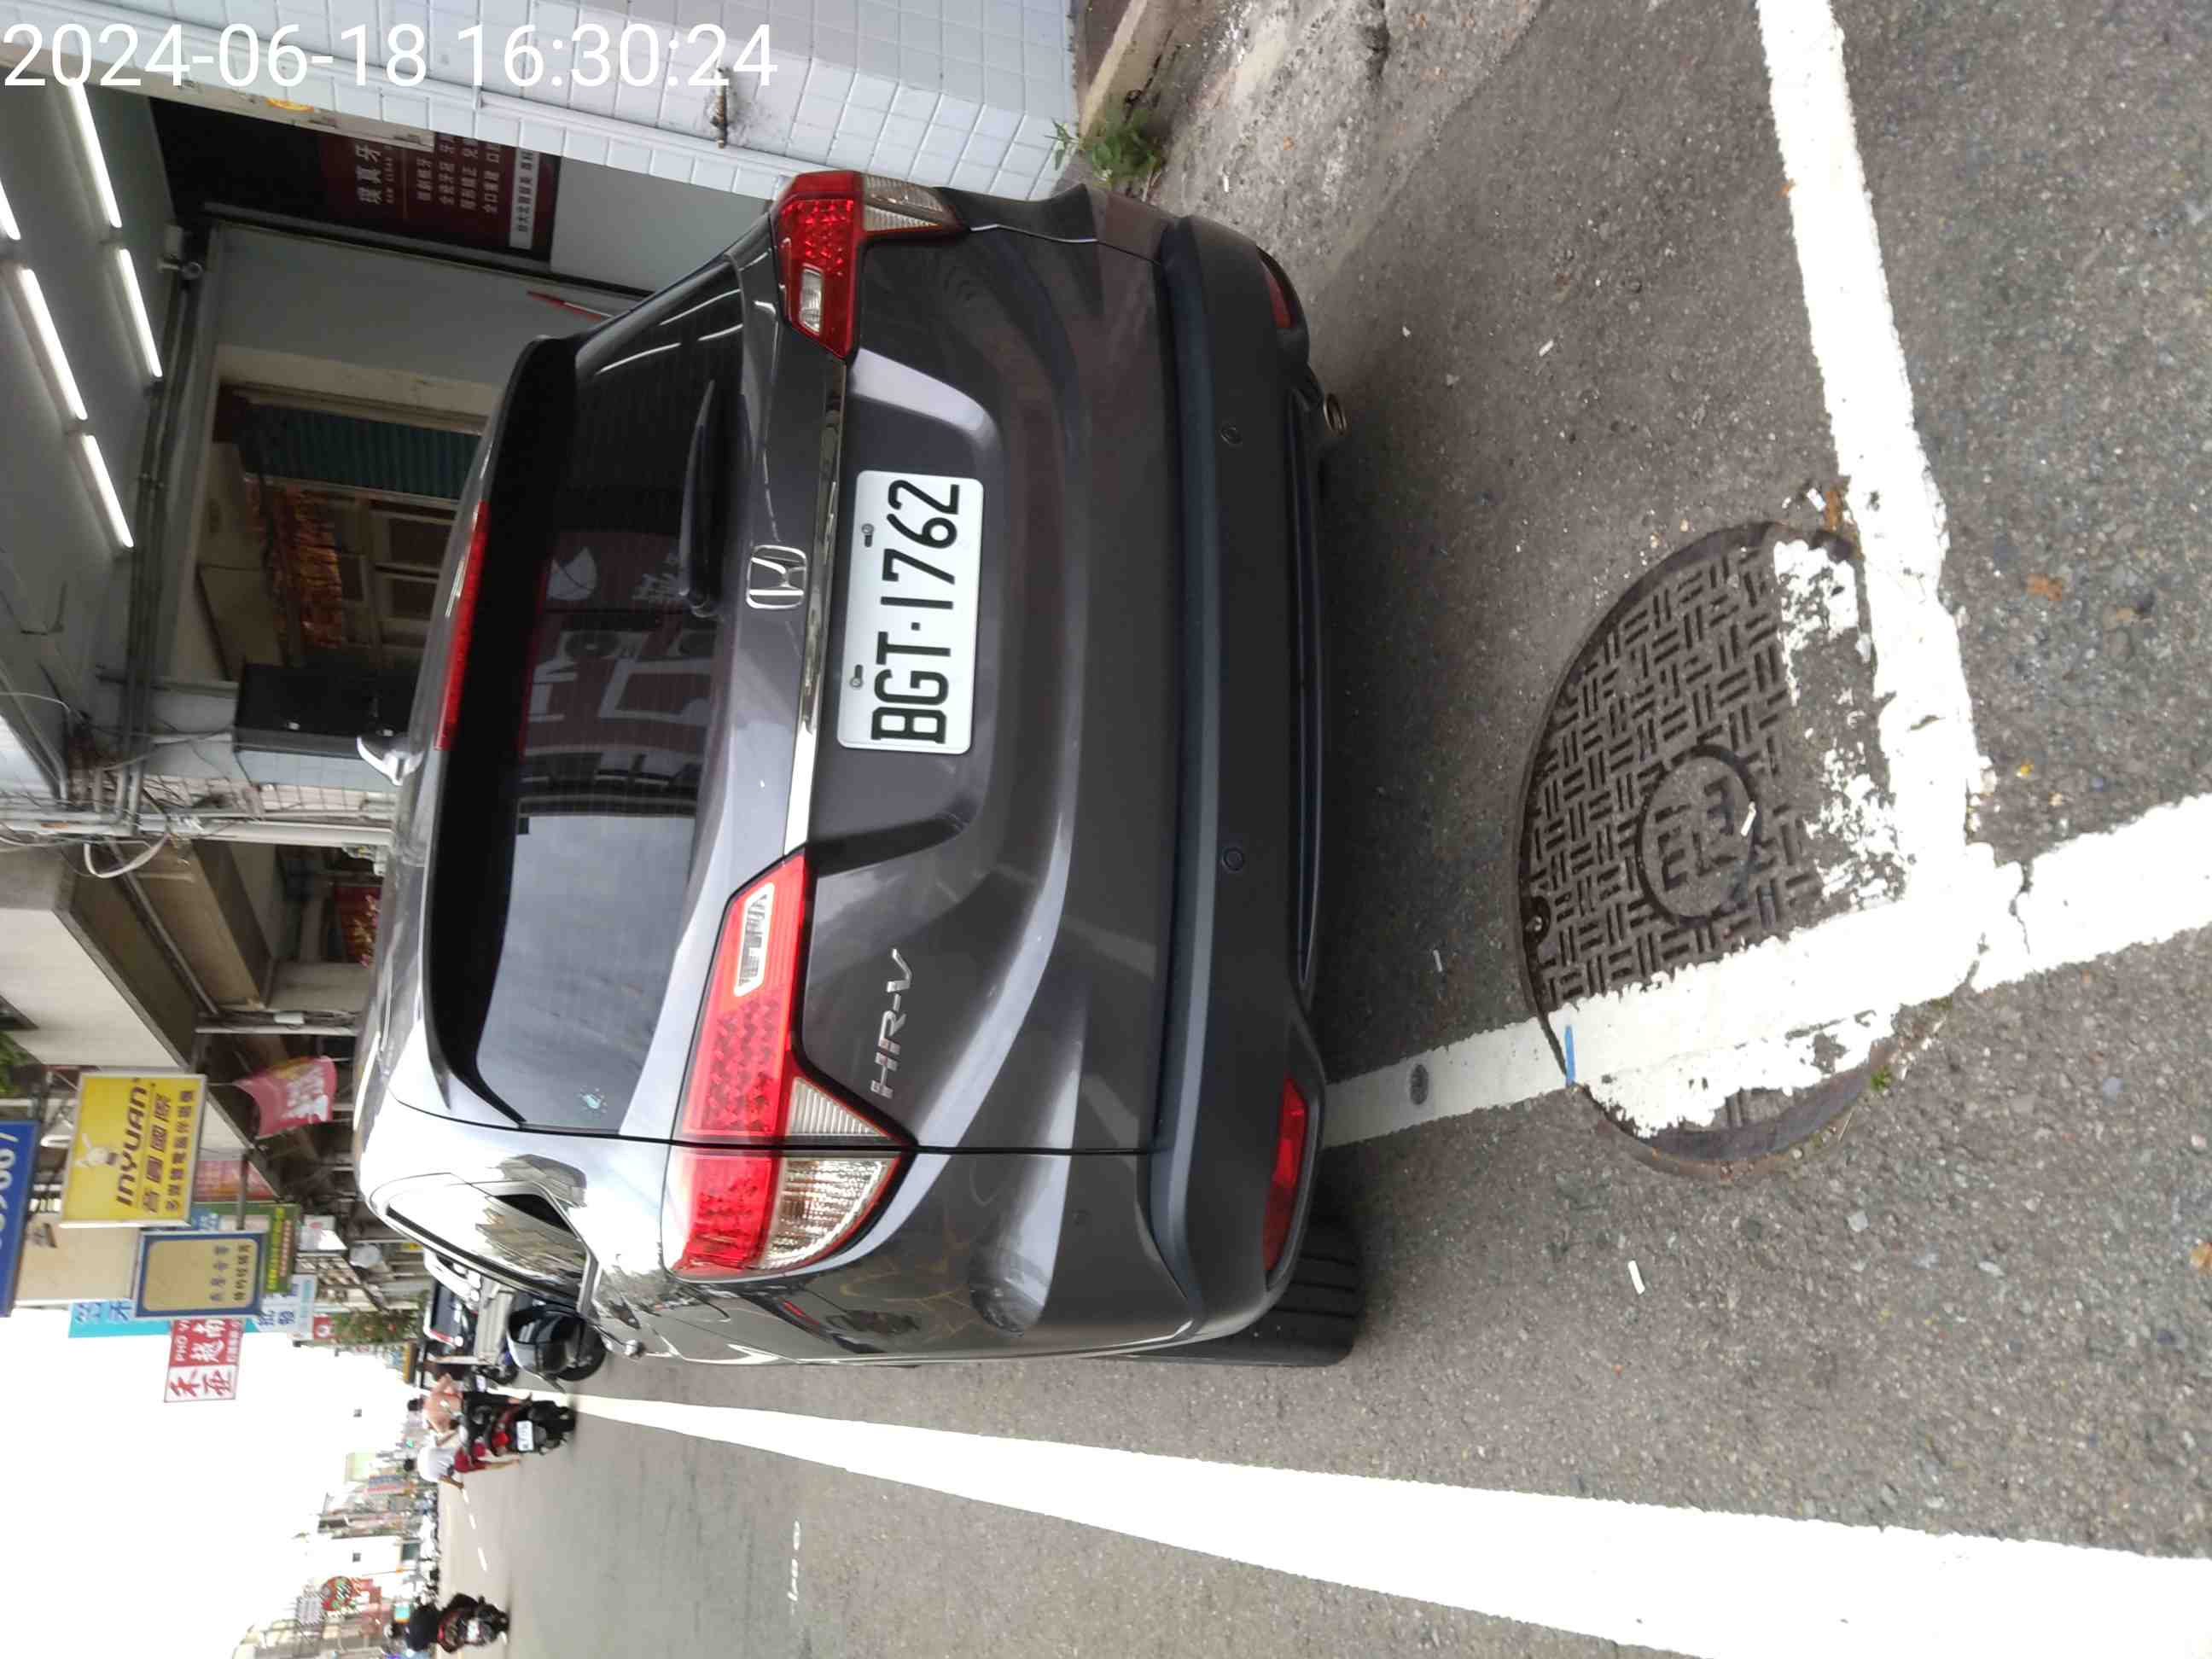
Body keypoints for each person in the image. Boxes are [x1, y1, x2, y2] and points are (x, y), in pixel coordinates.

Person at [414, 1434, 519, 1491]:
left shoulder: (425, 1475)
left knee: (486, 1466)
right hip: (460, 1453)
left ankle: (511, 1463)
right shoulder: (424, 1451)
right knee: (488, 1449)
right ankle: (514, 1450)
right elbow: (441, 1441)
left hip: (459, 1466)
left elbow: (443, 1478)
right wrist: (454, 1432)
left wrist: (457, 1484)